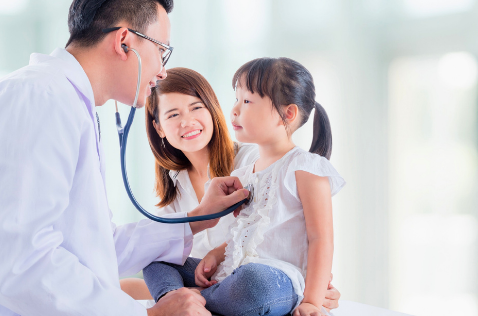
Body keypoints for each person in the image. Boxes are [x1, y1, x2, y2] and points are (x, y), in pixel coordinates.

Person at [0, 0, 250, 316]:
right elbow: (19, 262)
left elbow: (93, 247)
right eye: (162, 51)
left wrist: (195, 219)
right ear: (124, 41)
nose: (161, 71)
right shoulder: (41, 97)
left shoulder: (65, 102)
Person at [118, 67, 343, 312]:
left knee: (253, 282)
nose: (187, 121)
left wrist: (314, 293)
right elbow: (242, 233)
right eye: (172, 115)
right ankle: (179, 302)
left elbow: (300, 235)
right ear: (159, 127)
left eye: (196, 107)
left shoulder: (259, 160)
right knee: (156, 255)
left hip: (253, 280)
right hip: (224, 276)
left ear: (212, 109)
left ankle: (195, 301)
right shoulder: (177, 186)